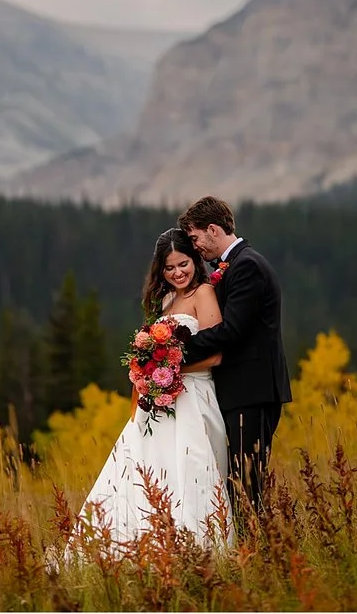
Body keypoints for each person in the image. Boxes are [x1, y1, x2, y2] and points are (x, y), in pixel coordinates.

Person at [73, 228, 231, 546]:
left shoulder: (203, 293)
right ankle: (144, 541)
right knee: (147, 467)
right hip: (158, 402)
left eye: (183, 264)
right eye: (169, 268)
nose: (177, 273)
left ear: (194, 260)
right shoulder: (166, 299)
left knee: (190, 467)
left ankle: (196, 546)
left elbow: (215, 355)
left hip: (194, 398)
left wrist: (170, 368)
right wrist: (148, 370)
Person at [176, 194, 293, 524]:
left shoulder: (247, 266)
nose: (195, 246)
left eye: (196, 238)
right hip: (242, 391)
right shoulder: (234, 265)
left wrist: (177, 352)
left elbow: (232, 331)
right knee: (239, 475)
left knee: (246, 478)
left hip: (253, 391)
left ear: (213, 229)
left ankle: (253, 548)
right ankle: (248, 544)